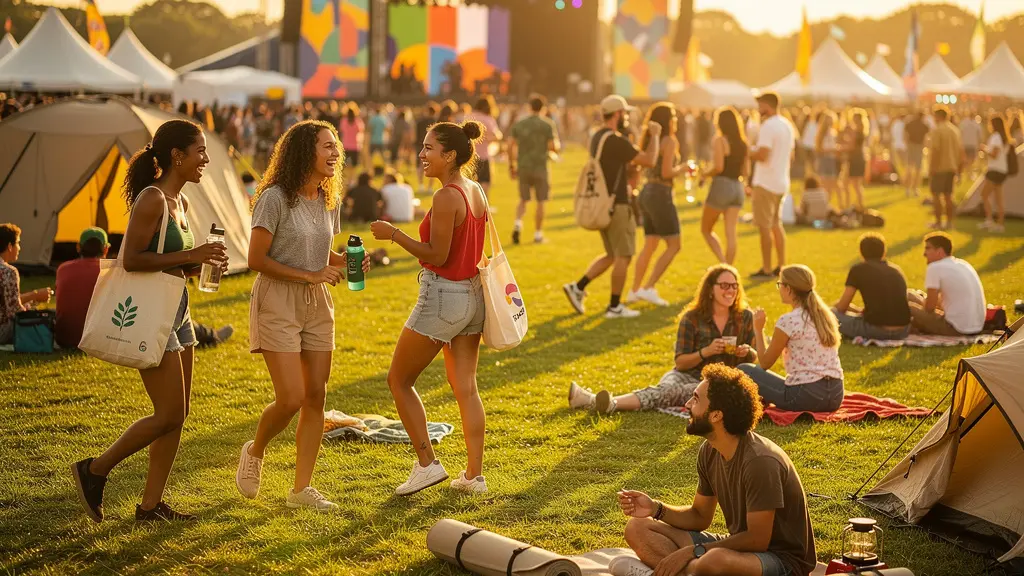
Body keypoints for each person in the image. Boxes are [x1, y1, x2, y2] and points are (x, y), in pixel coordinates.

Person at [71, 119, 229, 523]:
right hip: (151, 310)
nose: (206, 161)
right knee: (169, 413)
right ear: (177, 156)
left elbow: (173, 262)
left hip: (178, 308)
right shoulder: (152, 199)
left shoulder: (182, 204)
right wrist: (191, 256)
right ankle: (95, 469)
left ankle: (150, 505)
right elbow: (132, 260)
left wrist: (204, 262)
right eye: (200, 152)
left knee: (180, 412)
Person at [236, 120, 370, 512]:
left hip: (317, 304)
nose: (335, 153)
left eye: (336, 148)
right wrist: (312, 273)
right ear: (302, 153)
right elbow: (256, 259)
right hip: (278, 299)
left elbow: (319, 248)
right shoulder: (274, 198)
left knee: (316, 396)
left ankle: (301, 490)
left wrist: (341, 262)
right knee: (291, 397)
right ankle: (256, 449)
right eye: (326, 146)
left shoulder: (328, 199)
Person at [368, 120, 490, 496]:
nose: (421, 154)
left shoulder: (446, 196)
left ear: (449, 155)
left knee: (399, 380)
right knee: (466, 388)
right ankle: (474, 476)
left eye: (428, 148)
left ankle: (426, 464)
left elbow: (437, 254)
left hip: (444, 296)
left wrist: (394, 234)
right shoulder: (476, 190)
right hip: (473, 297)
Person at [616, 365, 816, 576]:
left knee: (713, 561)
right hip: (742, 548)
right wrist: (655, 509)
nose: (687, 405)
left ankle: (671, 572)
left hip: (782, 561)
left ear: (716, 415)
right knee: (638, 527)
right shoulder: (710, 450)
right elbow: (700, 516)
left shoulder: (760, 461)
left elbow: (758, 539)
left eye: (695, 399)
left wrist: (694, 551)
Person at [570, 265, 755, 415]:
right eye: (724, 285)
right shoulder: (692, 318)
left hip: (715, 384)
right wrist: (705, 352)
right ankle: (602, 401)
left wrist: (747, 352)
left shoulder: (745, 317)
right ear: (710, 289)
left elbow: (756, 360)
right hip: (686, 374)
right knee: (667, 387)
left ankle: (604, 402)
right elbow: (681, 364)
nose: (730, 290)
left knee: (668, 393)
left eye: (734, 285)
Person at [562, 95, 660, 319]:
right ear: (617, 115)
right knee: (623, 256)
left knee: (611, 255)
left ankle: (578, 287)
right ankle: (614, 306)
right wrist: (655, 136)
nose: (626, 117)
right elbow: (649, 160)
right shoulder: (615, 140)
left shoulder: (598, 137)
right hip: (617, 205)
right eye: (624, 113)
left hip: (604, 202)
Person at [54, 227, 231, 350]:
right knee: (166, 318)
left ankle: (210, 335)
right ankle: (212, 335)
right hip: (102, 335)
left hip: (65, 338)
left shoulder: (62, 269)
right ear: (106, 249)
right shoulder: (110, 270)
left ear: (78, 247)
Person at [739, 265, 844, 413]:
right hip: (835, 396)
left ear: (788, 288)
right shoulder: (825, 315)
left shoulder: (788, 320)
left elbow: (765, 363)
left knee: (744, 370)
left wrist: (758, 328)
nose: (779, 289)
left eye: (780, 284)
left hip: (806, 397)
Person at [629, 102, 687, 306]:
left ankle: (634, 290)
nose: (676, 120)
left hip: (646, 192)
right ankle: (648, 287)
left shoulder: (649, 139)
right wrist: (684, 168)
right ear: (668, 120)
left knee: (650, 243)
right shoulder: (669, 141)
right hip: (661, 193)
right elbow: (667, 172)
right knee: (674, 244)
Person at [748, 92, 794, 279]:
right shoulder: (787, 125)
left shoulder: (768, 126)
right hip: (781, 180)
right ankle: (781, 265)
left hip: (766, 182)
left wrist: (747, 150)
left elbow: (762, 155)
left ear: (767, 106)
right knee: (776, 224)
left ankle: (766, 268)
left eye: (760, 106)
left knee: (764, 227)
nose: (758, 111)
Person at [833, 233, 911, 341]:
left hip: (876, 330)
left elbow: (842, 307)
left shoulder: (858, 269)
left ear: (861, 252)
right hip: (903, 330)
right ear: (884, 252)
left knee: (829, 315)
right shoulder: (896, 270)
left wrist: (835, 307)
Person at [907, 232, 986, 336]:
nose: (924, 254)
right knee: (910, 294)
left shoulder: (935, 267)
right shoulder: (963, 264)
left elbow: (929, 308)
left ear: (939, 251)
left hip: (956, 329)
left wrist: (921, 305)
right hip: (977, 326)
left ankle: (894, 331)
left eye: (928, 248)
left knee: (907, 307)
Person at [508, 94, 560, 244]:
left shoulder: (520, 124)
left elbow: (510, 144)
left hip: (523, 166)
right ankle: (538, 234)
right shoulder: (547, 124)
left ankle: (518, 224)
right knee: (541, 201)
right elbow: (553, 147)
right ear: (543, 108)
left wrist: (512, 164)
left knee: (523, 199)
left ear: (529, 107)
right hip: (540, 167)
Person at [700, 106, 748, 266]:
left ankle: (723, 265)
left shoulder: (720, 140)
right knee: (731, 233)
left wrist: (704, 174)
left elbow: (718, 167)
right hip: (738, 187)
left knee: (706, 229)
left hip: (722, 185)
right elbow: (746, 170)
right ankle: (730, 268)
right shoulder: (743, 143)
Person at [0, 223, 52, 345]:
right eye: (18, 243)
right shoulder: (8, 271)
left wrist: (32, 297)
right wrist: (32, 306)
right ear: (9, 246)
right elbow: (15, 311)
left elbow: (7, 303)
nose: (19, 248)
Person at [927, 107, 965, 230]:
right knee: (948, 196)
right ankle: (949, 222)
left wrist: (932, 167)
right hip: (952, 167)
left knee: (936, 195)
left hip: (939, 168)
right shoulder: (955, 130)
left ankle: (938, 222)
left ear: (938, 116)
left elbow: (936, 150)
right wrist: (959, 169)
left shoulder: (937, 130)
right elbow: (960, 151)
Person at [467, 95, 502, 207]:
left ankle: (470, 207)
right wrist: (487, 138)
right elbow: (497, 136)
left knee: (470, 183)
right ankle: (484, 207)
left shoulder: (468, 117)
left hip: (469, 157)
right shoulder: (488, 119)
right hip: (484, 156)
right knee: (485, 183)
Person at [979, 114, 1011, 232]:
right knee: (998, 198)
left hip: (994, 170)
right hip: (1002, 170)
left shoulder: (996, 137)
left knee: (984, 195)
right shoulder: (1004, 137)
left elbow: (994, 154)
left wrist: (984, 149)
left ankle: (989, 220)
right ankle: (1000, 224)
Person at [814, 111, 842, 210]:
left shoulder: (833, 132)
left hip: (832, 159)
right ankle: (824, 205)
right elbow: (819, 149)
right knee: (824, 184)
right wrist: (833, 149)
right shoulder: (821, 133)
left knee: (833, 184)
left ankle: (831, 205)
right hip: (825, 159)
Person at [842, 108, 869, 212]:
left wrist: (840, 147)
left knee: (848, 183)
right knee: (857, 184)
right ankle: (860, 205)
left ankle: (848, 205)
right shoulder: (862, 132)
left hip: (854, 159)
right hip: (859, 158)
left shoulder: (856, 132)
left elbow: (851, 146)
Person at [415, 102, 439, 193]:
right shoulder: (437, 122)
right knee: (432, 165)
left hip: (420, 145)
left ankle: (421, 185)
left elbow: (415, 134)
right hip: (433, 146)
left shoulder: (420, 122)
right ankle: (429, 187)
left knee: (420, 166)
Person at [904, 111, 930, 197]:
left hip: (911, 146)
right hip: (919, 147)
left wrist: (907, 144)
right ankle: (915, 188)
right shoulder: (924, 125)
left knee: (909, 168)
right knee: (918, 169)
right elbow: (926, 138)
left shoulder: (910, 123)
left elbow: (905, 135)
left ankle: (907, 189)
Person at [338, 104, 364, 174]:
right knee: (355, 165)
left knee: (343, 164)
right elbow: (361, 130)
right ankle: (352, 179)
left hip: (345, 145)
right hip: (355, 145)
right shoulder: (358, 121)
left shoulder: (343, 120)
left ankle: (342, 178)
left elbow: (341, 130)